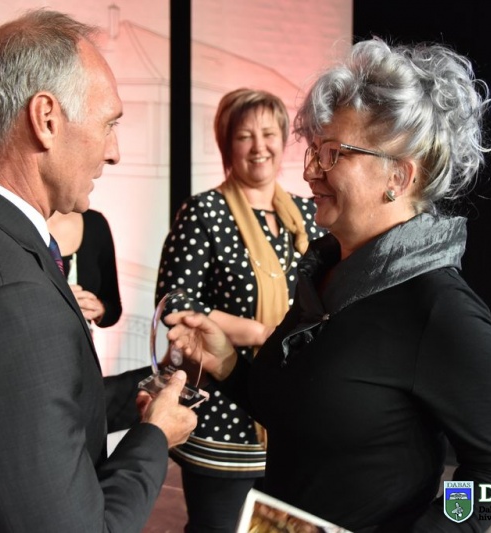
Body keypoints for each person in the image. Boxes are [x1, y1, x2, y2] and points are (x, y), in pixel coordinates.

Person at [165, 38, 491, 531]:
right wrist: (227, 363)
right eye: (314, 150)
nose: (310, 171)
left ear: (398, 176)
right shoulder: (326, 277)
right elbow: (290, 408)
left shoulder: (441, 309)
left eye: (333, 153)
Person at [0, 10, 196, 532]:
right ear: (46, 118)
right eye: (108, 124)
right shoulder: (11, 297)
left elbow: (17, 408)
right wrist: (154, 437)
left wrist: (145, 391)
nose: (114, 152)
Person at [155, 88, 324, 532]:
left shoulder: (308, 214)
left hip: (292, 416)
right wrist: (259, 333)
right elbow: (176, 303)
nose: (258, 146)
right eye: (244, 136)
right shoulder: (204, 212)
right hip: (224, 419)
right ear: (227, 145)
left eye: (269, 134)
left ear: (283, 139)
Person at [47, 209, 123, 328]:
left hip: (77, 338)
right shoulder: (22, 221)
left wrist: (98, 308)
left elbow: (113, 308)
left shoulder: (95, 223)